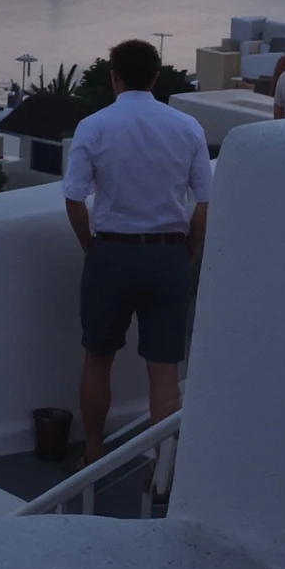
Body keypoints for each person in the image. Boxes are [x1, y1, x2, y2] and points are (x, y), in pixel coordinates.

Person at [62, 38, 211, 466]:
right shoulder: (187, 127)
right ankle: (161, 468)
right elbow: (204, 201)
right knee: (163, 370)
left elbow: (73, 198)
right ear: (155, 77)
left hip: (112, 253)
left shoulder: (94, 126)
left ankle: (92, 454)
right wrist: (187, 252)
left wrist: (92, 246)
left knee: (97, 357)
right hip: (167, 256)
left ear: (114, 77)